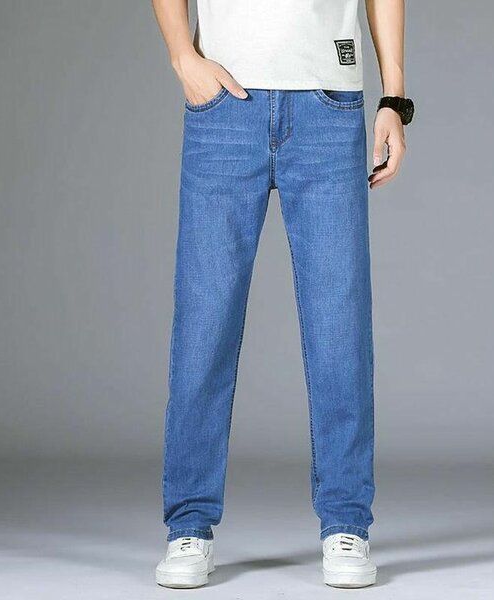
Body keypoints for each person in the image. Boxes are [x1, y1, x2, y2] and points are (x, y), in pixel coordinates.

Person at [152, 0, 414, 589]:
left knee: (340, 325)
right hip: (224, 106)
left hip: (329, 104)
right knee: (204, 323)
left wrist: (394, 99)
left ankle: (347, 523)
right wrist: (182, 56)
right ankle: (188, 525)